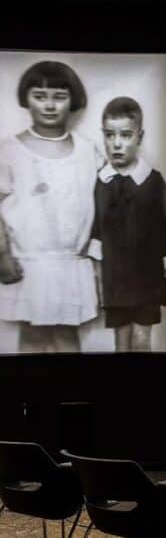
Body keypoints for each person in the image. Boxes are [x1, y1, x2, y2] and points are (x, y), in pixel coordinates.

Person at [0, 61, 102, 353]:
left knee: (67, 337)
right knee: (32, 337)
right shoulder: (9, 150)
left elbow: (106, 204)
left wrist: (97, 259)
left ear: (73, 102)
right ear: (26, 98)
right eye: (40, 96)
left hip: (71, 263)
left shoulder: (87, 150)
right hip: (28, 264)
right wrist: (2, 253)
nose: (49, 105)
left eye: (59, 97)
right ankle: (25, 399)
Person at [91, 97, 166, 353]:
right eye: (110, 135)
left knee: (141, 341)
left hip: (147, 278)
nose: (117, 144)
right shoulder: (101, 181)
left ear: (139, 137)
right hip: (115, 279)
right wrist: (97, 277)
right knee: (121, 343)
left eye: (126, 135)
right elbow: (97, 229)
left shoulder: (152, 181)